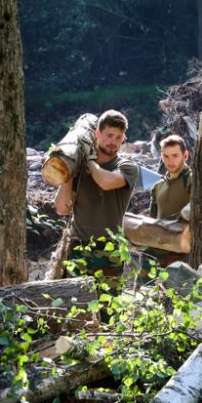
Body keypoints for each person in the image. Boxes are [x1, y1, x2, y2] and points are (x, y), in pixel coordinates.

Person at [55, 110, 139, 278]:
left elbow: (106, 182)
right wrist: (69, 174)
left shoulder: (127, 166)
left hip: (109, 251)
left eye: (118, 137)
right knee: (72, 303)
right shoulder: (80, 169)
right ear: (97, 134)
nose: (113, 142)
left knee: (107, 304)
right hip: (78, 248)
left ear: (123, 138)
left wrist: (89, 160)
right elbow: (61, 208)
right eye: (109, 135)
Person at [145, 134, 193, 268]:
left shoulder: (193, 181)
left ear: (185, 156)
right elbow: (152, 219)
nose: (170, 161)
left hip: (182, 253)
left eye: (175, 155)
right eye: (166, 156)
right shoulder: (158, 186)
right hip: (157, 250)